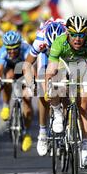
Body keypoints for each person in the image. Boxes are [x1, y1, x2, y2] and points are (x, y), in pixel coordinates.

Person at [45, 16, 87, 168]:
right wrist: (48, 89)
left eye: (81, 35)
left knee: (83, 106)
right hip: (63, 66)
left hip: (81, 69)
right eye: (74, 35)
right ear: (67, 34)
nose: (78, 39)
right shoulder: (59, 42)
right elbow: (51, 70)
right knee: (57, 81)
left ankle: (85, 150)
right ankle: (57, 111)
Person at [23, 20, 66, 156]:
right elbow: (27, 65)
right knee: (43, 89)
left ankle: (66, 120)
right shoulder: (40, 41)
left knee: (65, 85)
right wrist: (32, 85)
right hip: (45, 59)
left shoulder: (67, 38)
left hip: (62, 58)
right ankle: (42, 133)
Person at [0, 30, 34, 152]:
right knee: (7, 78)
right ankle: (6, 105)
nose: (11, 51)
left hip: (24, 67)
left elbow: (29, 69)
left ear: (19, 46)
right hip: (11, 67)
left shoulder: (26, 49)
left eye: (14, 49)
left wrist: (29, 86)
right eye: (9, 49)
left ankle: (27, 134)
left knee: (27, 100)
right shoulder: (2, 51)